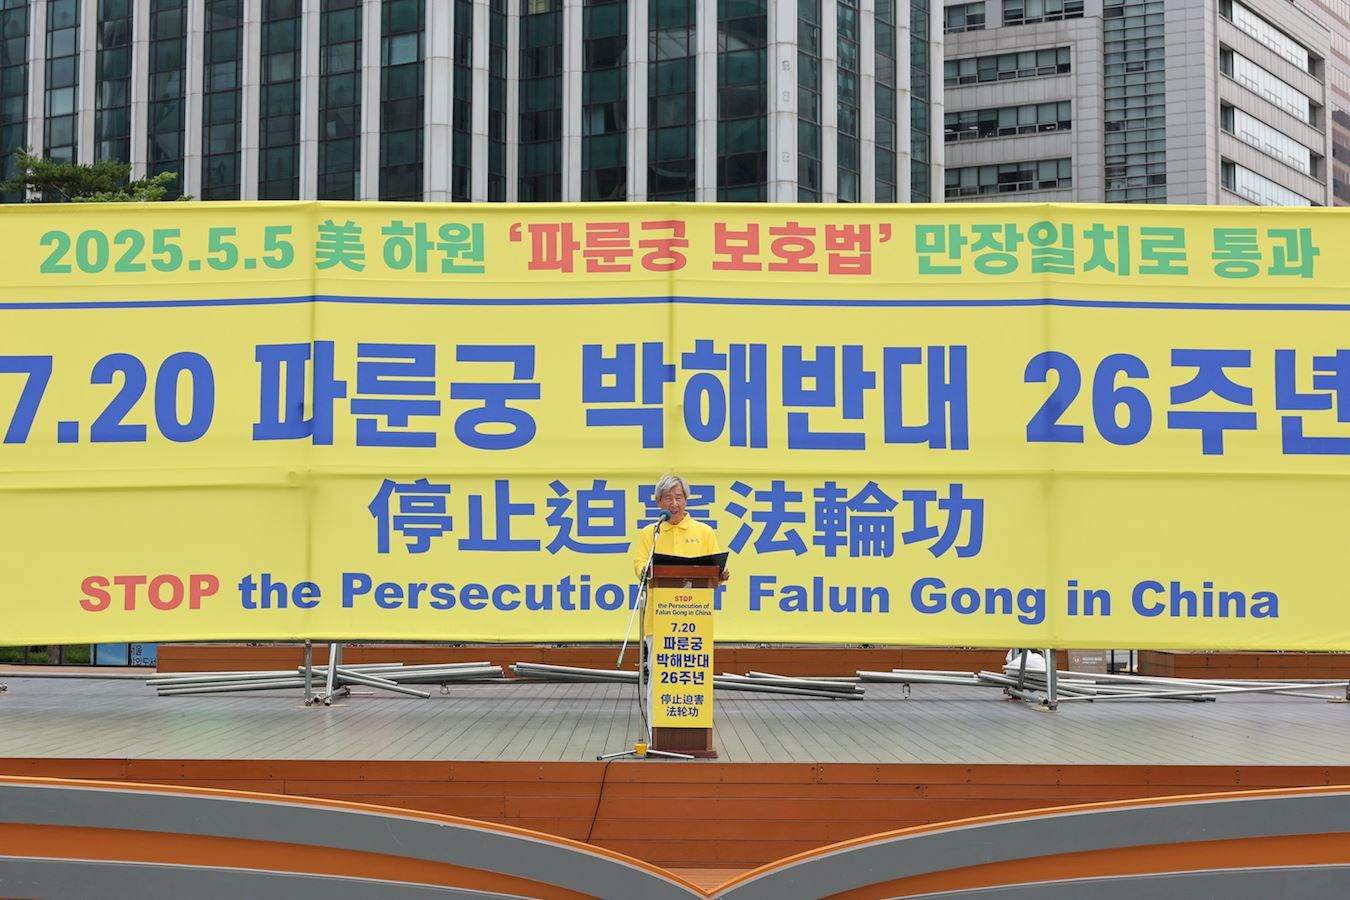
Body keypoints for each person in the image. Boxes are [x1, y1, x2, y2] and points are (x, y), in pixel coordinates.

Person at [630, 473, 730, 582]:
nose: (674, 504)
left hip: (698, 592)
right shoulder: (650, 532)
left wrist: (722, 573)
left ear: (686, 500)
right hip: (659, 592)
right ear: (658, 501)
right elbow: (640, 563)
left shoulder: (705, 531)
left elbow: (716, 569)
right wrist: (644, 570)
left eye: (678, 498)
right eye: (668, 498)